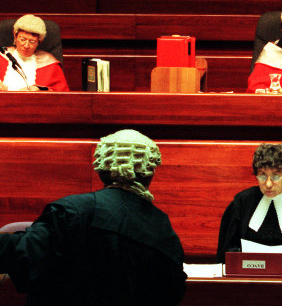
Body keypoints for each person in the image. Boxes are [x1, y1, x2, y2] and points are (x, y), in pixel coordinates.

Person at [0, 129, 186, 305]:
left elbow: (24, 261)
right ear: (150, 172)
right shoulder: (164, 232)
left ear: (100, 169)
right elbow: (173, 292)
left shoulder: (70, 212)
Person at [0, 14, 69, 91]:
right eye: (22, 39)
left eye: (32, 42)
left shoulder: (50, 64)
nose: (26, 45)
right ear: (15, 36)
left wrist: (40, 90)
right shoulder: (2, 55)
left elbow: (62, 94)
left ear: (39, 41)